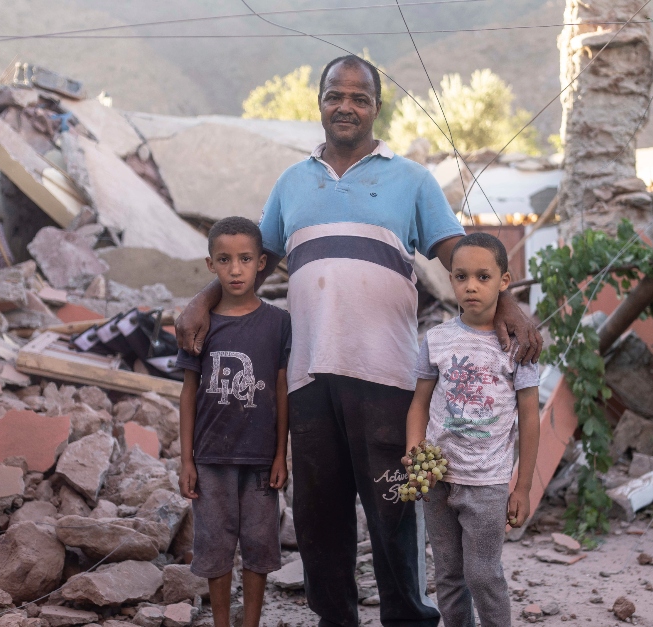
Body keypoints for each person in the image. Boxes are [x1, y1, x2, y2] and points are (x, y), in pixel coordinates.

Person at [175, 54, 541, 627]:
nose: (346, 106)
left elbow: (460, 259)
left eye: (360, 97)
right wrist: (201, 300)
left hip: (388, 377)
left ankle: (406, 618)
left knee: (393, 511)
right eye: (334, 96)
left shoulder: (412, 180)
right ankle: (335, 619)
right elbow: (252, 260)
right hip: (310, 377)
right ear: (318, 102)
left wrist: (510, 308)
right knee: (320, 520)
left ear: (376, 107)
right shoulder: (292, 182)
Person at [405, 232, 540, 627]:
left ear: (504, 280)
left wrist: (524, 486)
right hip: (437, 478)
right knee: (448, 575)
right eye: (461, 276)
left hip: (488, 482)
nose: (471, 286)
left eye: (483, 276)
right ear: (451, 280)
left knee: (482, 573)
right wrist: (416, 452)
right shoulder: (437, 340)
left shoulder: (517, 347)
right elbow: (419, 403)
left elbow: (529, 417)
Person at [175, 217, 292, 627]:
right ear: (211, 265)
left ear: (262, 263)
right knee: (214, 544)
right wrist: (186, 459)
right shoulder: (201, 325)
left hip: (261, 458)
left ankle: (252, 622)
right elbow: (189, 392)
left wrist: (281, 454)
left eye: (245, 259)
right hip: (210, 457)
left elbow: (281, 389)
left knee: (259, 544)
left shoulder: (278, 322)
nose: (236, 269)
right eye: (225, 260)